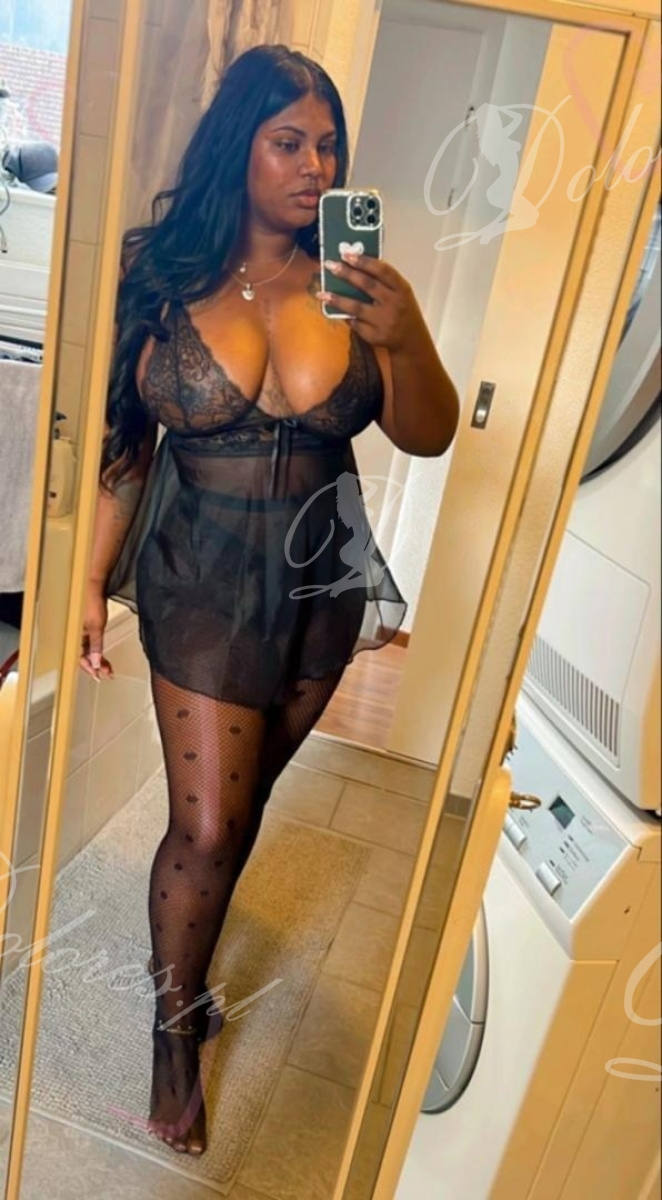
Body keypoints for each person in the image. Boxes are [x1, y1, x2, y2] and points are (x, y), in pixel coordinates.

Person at [79, 43, 459, 1158]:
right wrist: (86, 583)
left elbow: (427, 435)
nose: (314, 166)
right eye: (287, 142)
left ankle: (191, 978)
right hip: (199, 580)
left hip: (319, 583)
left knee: (237, 816)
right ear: (234, 148)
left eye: (327, 145)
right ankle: (172, 1034)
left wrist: (405, 338)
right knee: (205, 824)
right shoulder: (159, 274)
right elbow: (124, 447)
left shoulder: (358, 287)